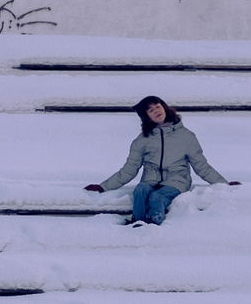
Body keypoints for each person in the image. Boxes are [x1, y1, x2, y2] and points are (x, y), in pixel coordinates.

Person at [84, 94, 239, 227]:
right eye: (151, 110)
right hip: (150, 181)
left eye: (158, 106)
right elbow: (129, 169)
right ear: (147, 117)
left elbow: (202, 166)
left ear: (164, 107)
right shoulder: (142, 141)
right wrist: (103, 187)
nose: (156, 111)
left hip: (177, 182)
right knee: (141, 190)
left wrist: (223, 184)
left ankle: (153, 224)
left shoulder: (186, 136)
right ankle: (138, 223)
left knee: (157, 197)